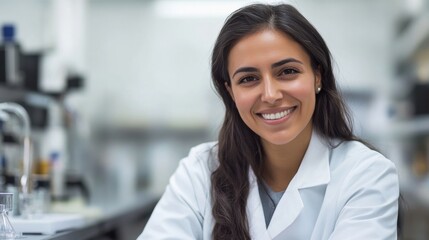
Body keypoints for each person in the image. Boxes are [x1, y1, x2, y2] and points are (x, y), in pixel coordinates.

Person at [138, 3, 399, 240]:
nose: (271, 95)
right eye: (248, 79)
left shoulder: (366, 174)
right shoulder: (200, 170)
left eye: (287, 72)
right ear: (230, 92)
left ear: (317, 76)